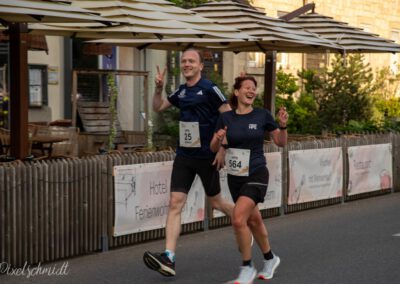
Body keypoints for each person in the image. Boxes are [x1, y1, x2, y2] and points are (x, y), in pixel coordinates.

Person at [143, 48, 234, 277]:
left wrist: (223, 148)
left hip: (207, 156)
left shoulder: (210, 89)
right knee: (175, 203)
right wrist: (157, 88)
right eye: (184, 61)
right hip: (185, 156)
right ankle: (169, 258)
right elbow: (157, 107)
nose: (186, 64)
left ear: (201, 66)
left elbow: (229, 116)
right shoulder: (181, 91)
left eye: (191, 61)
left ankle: (244, 219)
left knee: (216, 203)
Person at [210, 75, 288, 283]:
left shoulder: (262, 115)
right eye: (247, 87)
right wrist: (218, 141)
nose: (251, 91)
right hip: (235, 177)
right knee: (254, 219)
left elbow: (280, 142)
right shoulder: (226, 118)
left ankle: (247, 267)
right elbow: (213, 147)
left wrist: (282, 126)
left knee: (238, 218)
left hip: (256, 173)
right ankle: (270, 259)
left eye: (254, 88)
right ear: (237, 92)